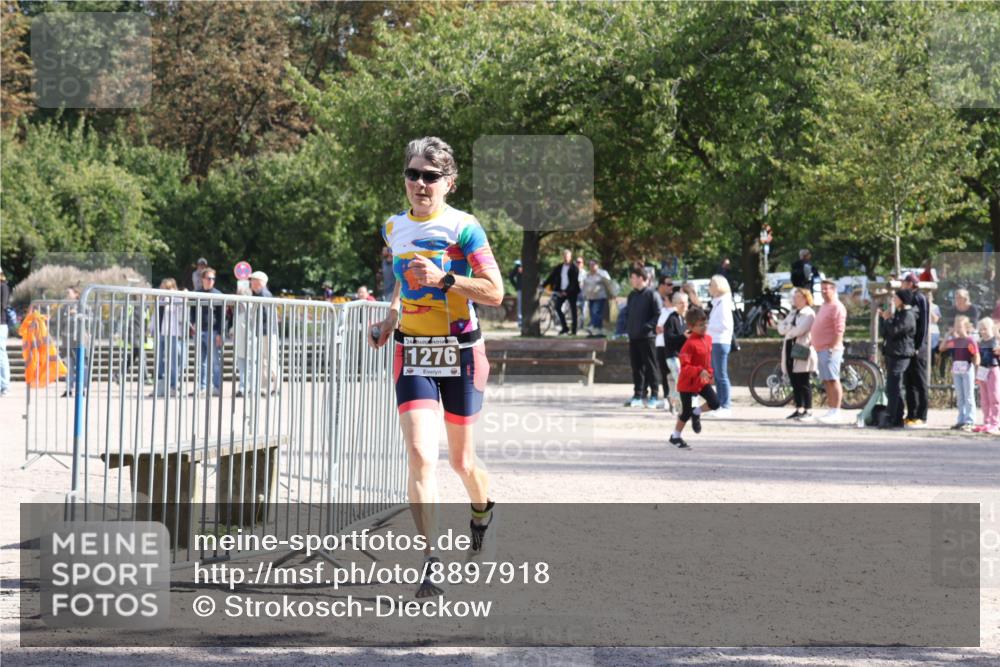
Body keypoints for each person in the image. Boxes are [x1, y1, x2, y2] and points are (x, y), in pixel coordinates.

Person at [369, 136, 502, 598]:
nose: (420, 184)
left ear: (449, 182)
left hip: (462, 349)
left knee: (462, 462)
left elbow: (495, 291)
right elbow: (403, 283)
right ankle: (430, 561)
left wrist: (446, 278)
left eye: (431, 176)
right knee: (422, 456)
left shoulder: (465, 228)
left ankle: (482, 508)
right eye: (413, 174)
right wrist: (390, 318)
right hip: (414, 352)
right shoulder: (392, 227)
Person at [669, 306, 718, 449]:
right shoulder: (688, 345)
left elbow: (707, 360)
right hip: (688, 384)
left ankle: (697, 412)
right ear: (690, 326)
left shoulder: (708, 339)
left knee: (715, 403)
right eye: (700, 325)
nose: (704, 327)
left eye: (705, 323)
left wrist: (710, 373)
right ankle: (675, 436)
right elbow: (685, 367)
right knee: (685, 412)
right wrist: (699, 371)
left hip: (701, 381)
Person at [777, 287, 818, 420]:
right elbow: (781, 328)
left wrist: (788, 329)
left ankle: (809, 409)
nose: (795, 299)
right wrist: (788, 329)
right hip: (789, 347)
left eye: (798, 297)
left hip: (802, 348)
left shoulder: (809, 314)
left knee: (803, 380)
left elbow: (800, 330)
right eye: (794, 297)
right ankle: (799, 408)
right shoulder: (793, 312)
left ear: (806, 299)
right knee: (794, 380)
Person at [810, 278, 847, 424]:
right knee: (826, 380)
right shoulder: (825, 305)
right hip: (821, 348)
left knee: (833, 379)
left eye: (827, 288)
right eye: (822, 289)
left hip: (830, 349)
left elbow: (839, 330)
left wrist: (832, 347)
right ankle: (831, 409)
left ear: (834, 289)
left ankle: (836, 411)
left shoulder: (837, 307)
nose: (824, 291)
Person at [624, 267, 661, 408]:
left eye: (633, 277)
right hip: (634, 337)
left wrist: (647, 327)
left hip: (648, 338)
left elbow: (658, 314)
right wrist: (628, 328)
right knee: (636, 368)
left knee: (651, 367)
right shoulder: (632, 295)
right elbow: (628, 313)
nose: (631, 280)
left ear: (641, 278)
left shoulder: (653, 294)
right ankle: (638, 395)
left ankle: (654, 395)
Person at [879, 290, 917, 429]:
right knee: (892, 387)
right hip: (892, 352)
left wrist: (888, 320)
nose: (894, 299)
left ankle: (894, 416)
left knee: (894, 386)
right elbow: (885, 333)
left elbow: (895, 331)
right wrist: (885, 319)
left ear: (902, 299)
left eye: (896, 297)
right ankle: (896, 416)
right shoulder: (899, 314)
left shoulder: (908, 315)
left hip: (901, 354)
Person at [899, 273, 930, 427]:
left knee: (920, 381)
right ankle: (911, 413)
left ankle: (922, 415)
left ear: (910, 283)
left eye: (903, 281)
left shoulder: (919, 298)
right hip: (908, 346)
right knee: (909, 381)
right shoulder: (907, 297)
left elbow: (923, 324)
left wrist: (919, 345)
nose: (901, 284)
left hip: (918, 346)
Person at [190, 268, 223, 396]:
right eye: (208, 278)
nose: (211, 281)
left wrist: (220, 333)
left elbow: (221, 316)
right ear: (202, 279)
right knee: (201, 362)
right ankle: (202, 387)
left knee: (215, 361)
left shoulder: (218, 294)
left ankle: (217, 388)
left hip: (213, 331)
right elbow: (192, 310)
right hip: (199, 331)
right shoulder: (196, 293)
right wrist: (193, 322)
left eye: (213, 279)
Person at [705, 275, 734, 417]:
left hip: (720, 341)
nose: (709, 287)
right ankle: (721, 405)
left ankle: (726, 405)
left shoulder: (723, 303)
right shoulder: (718, 303)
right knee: (717, 375)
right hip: (715, 341)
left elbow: (725, 325)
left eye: (711, 284)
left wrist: (707, 327)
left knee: (721, 375)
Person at [658, 290, 689, 414]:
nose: (684, 305)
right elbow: (669, 338)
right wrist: (684, 337)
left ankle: (672, 400)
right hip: (672, 356)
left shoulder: (683, 319)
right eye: (681, 303)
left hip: (680, 356)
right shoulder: (672, 319)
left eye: (686, 303)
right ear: (676, 304)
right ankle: (680, 406)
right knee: (680, 381)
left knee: (679, 381)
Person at [154, 278, 186, 397]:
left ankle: (173, 386)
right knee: (159, 362)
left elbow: (181, 316)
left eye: (164, 287)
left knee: (173, 361)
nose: (161, 289)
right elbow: (156, 315)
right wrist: (151, 327)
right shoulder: (159, 298)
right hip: (160, 332)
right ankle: (160, 387)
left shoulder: (176, 298)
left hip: (172, 332)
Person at [249, 271, 279, 396]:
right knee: (266, 360)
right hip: (264, 331)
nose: (251, 283)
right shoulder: (260, 294)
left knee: (270, 360)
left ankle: (274, 387)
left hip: (266, 331)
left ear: (260, 282)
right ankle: (266, 387)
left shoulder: (263, 295)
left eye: (254, 280)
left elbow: (266, 315)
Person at [543, 249, 580, 336]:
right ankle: (565, 328)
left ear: (570, 257)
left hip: (571, 292)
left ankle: (574, 331)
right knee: (557, 307)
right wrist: (543, 285)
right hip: (561, 291)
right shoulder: (560, 267)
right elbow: (551, 277)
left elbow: (573, 282)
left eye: (568, 256)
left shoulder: (574, 268)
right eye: (565, 256)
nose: (566, 258)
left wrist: (567, 292)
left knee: (573, 310)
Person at [974, 317, 1000, 434]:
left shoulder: (996, 341)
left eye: (985, 329)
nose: (983, 331)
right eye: (981, 329)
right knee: (984, 398)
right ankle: (987, 422)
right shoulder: (980, 342)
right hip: (982, 370)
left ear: (991, 329)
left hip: (993, 369)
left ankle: (995, 423)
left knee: (994, 397)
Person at [581, 259, 614, 337]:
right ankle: (597, 332)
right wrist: (584, 294)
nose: (591, 266)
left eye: (593, 265)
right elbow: (585, 286)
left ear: (597, 265)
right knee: (593, 313)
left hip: (600, 297)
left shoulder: (602, 273)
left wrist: (612, 294)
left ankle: (593, 327)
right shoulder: (587, 274)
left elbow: (609, 284)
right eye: (590, 265)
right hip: (590, 297)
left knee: (596, 312)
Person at [0, 269, 10, 397]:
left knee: (1, 355)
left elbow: (3, 305)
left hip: (0, 324)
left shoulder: (3, 287)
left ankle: (4, 385)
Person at [508, 259, 523, 328]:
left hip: (525, 290)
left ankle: (522, 322)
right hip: (521, 289)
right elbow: (511, 276)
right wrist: (516, 286)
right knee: (520, 306)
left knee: (521, 306)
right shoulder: (519, 265)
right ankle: (520, 322)